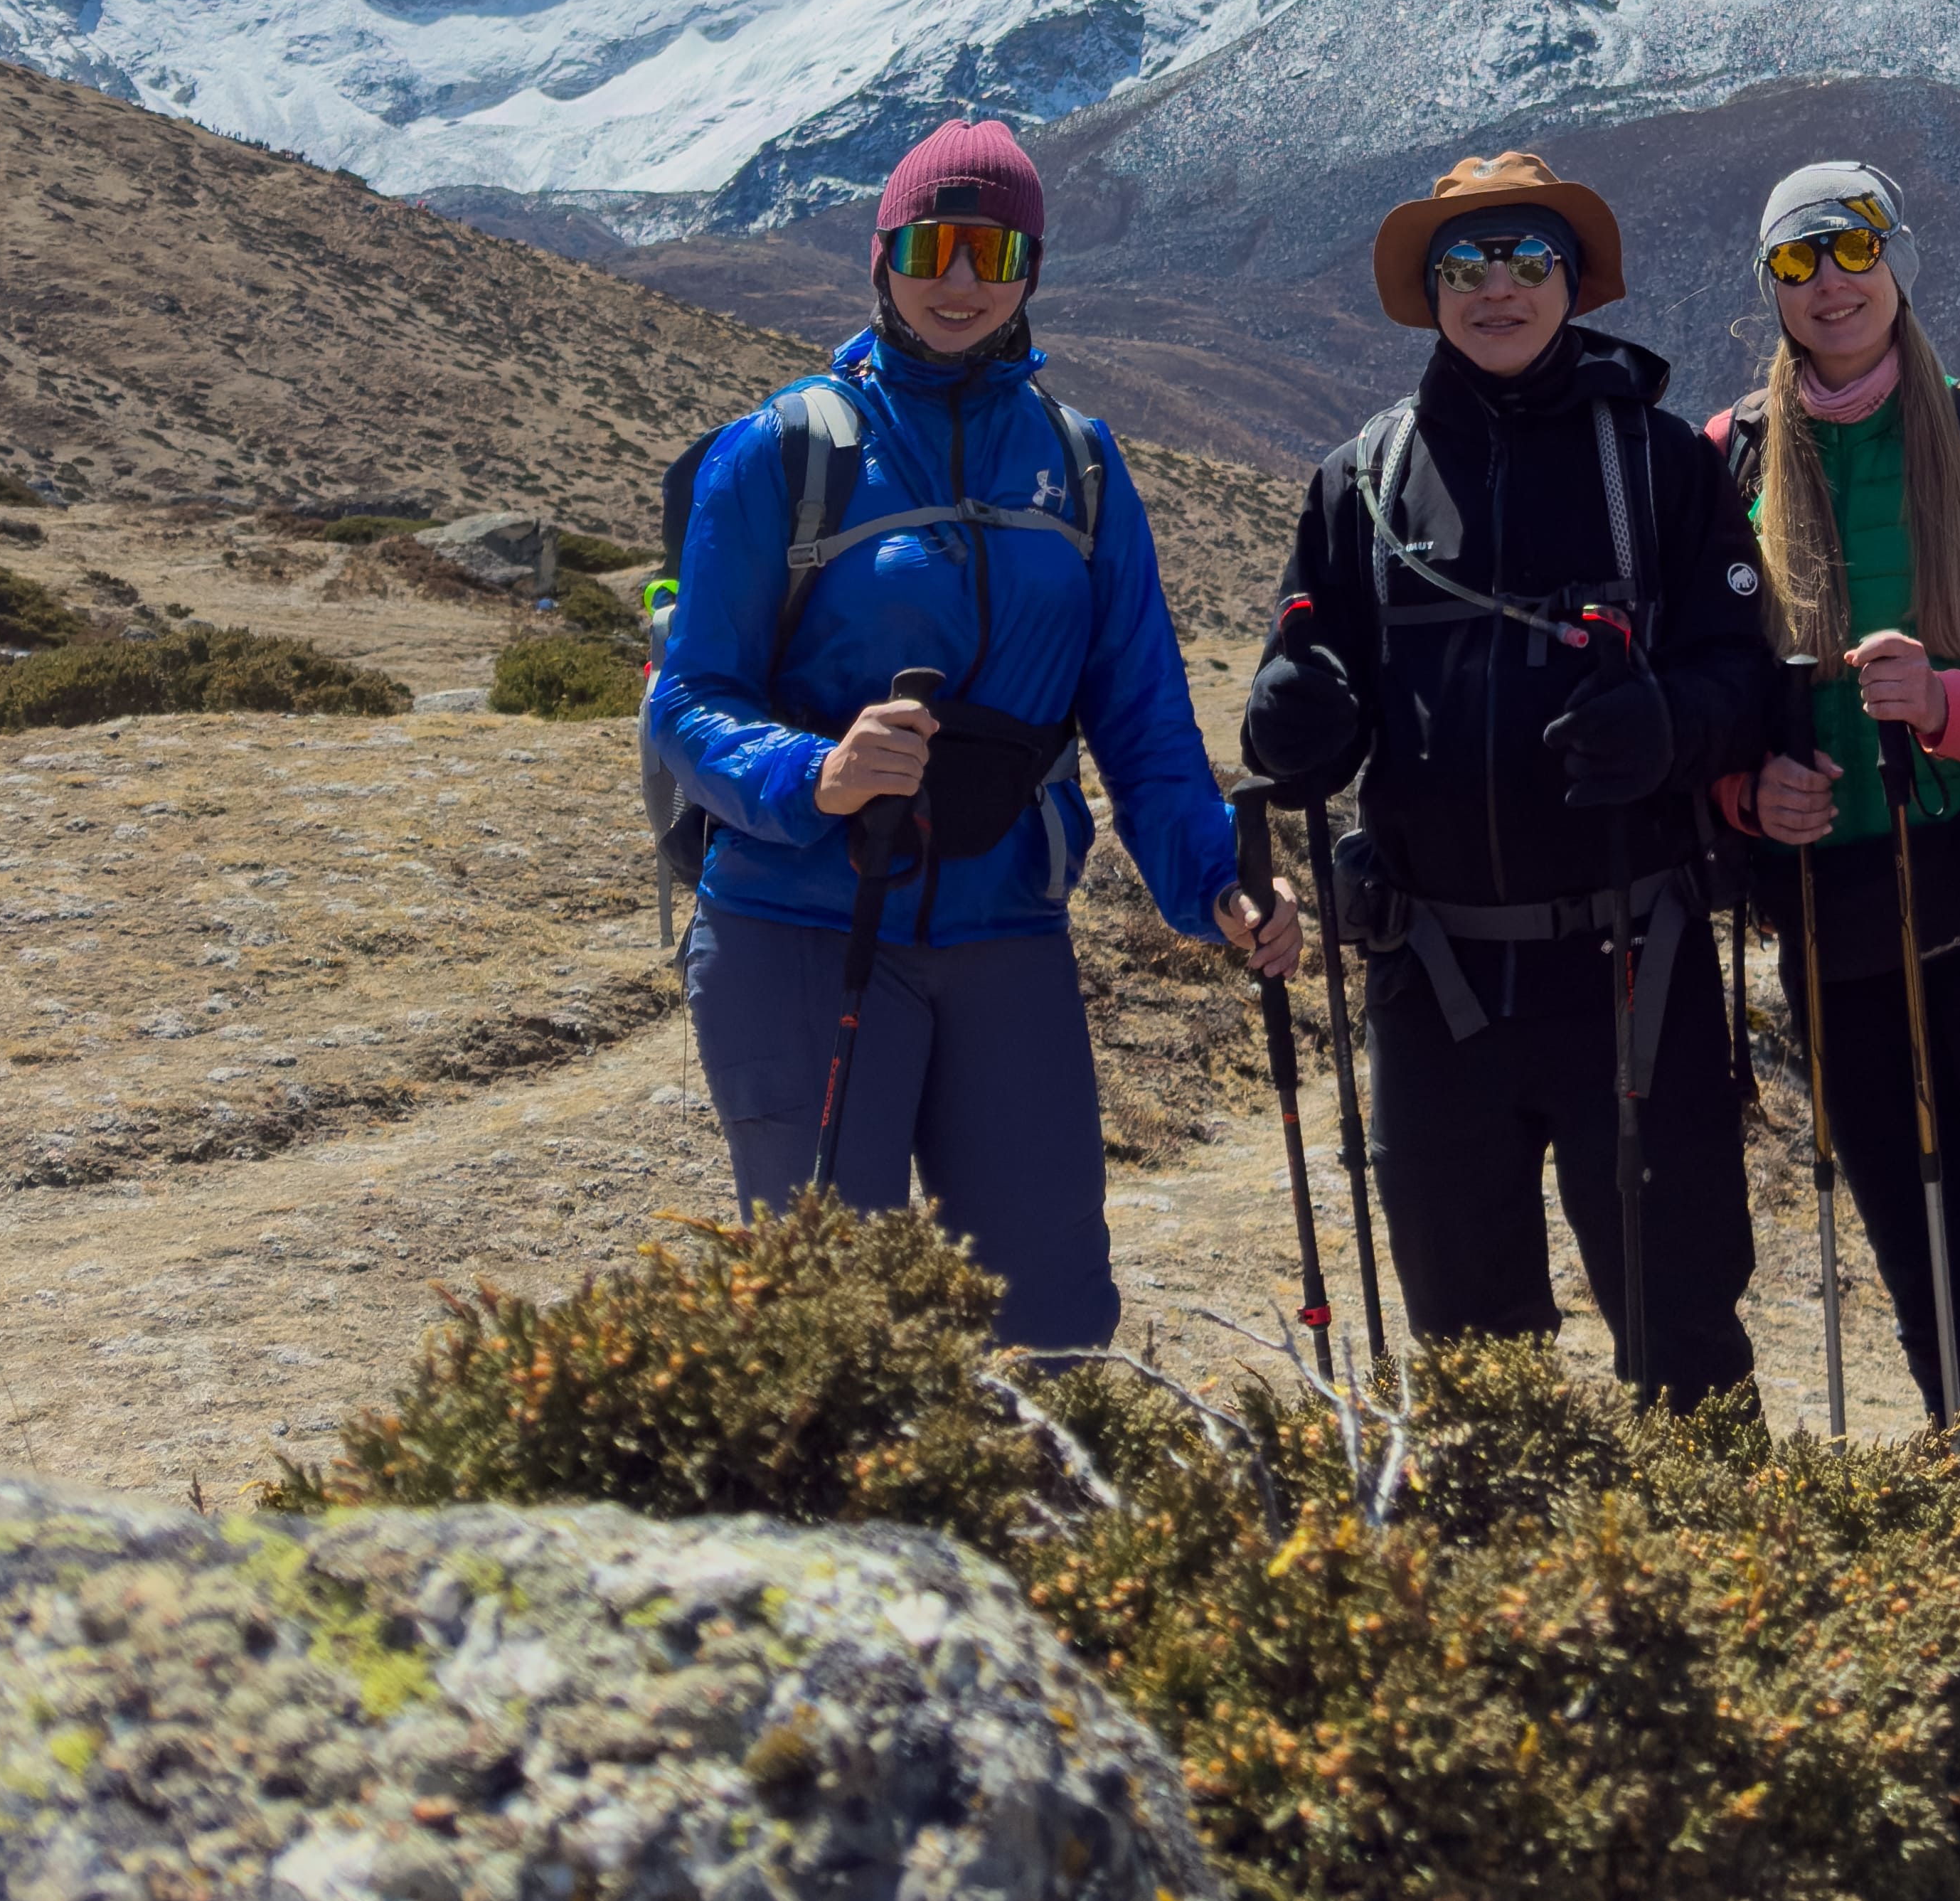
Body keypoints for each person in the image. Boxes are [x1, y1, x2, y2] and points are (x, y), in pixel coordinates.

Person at [653, 114, 1291, 1348]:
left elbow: (1144, 721)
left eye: (993, 256)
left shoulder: (1081, 464)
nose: (958, 281)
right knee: (834, 1327)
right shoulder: (784, 451)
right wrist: (813, 771)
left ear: (1030, 276)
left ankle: (1034, 1540)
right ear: (883, 254)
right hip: (804, 928)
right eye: (934, 246)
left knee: (1050, 1309)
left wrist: (1218, 881)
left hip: (1009, 928)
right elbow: (688, 700)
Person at [1243, 146, 1779, 1407]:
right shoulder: (1359, 485)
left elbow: (1746, 679)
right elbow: (1304, 708)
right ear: (1430, 292)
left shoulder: (1661, 467)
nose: (1498, 287)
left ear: (1573, 282)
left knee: (1685, 1336)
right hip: (1433, 981)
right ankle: (1511, 1603)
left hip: (1633, 971)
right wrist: (1290, 723)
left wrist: (1673, 723)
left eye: (1528, 257)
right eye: (1464, 263)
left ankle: (1720, 1598)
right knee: (1476, 1366)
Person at [1722, 157, 1960, 1444]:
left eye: (1852, 250)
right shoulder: (1728, 461)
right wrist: (1744, 792)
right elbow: (1710, 699)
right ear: (1771, 290)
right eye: (1796, 261)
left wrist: (1946, 703)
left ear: (1896, 260)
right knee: (1928, 1278)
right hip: (1838, 933)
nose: (1830, 285)